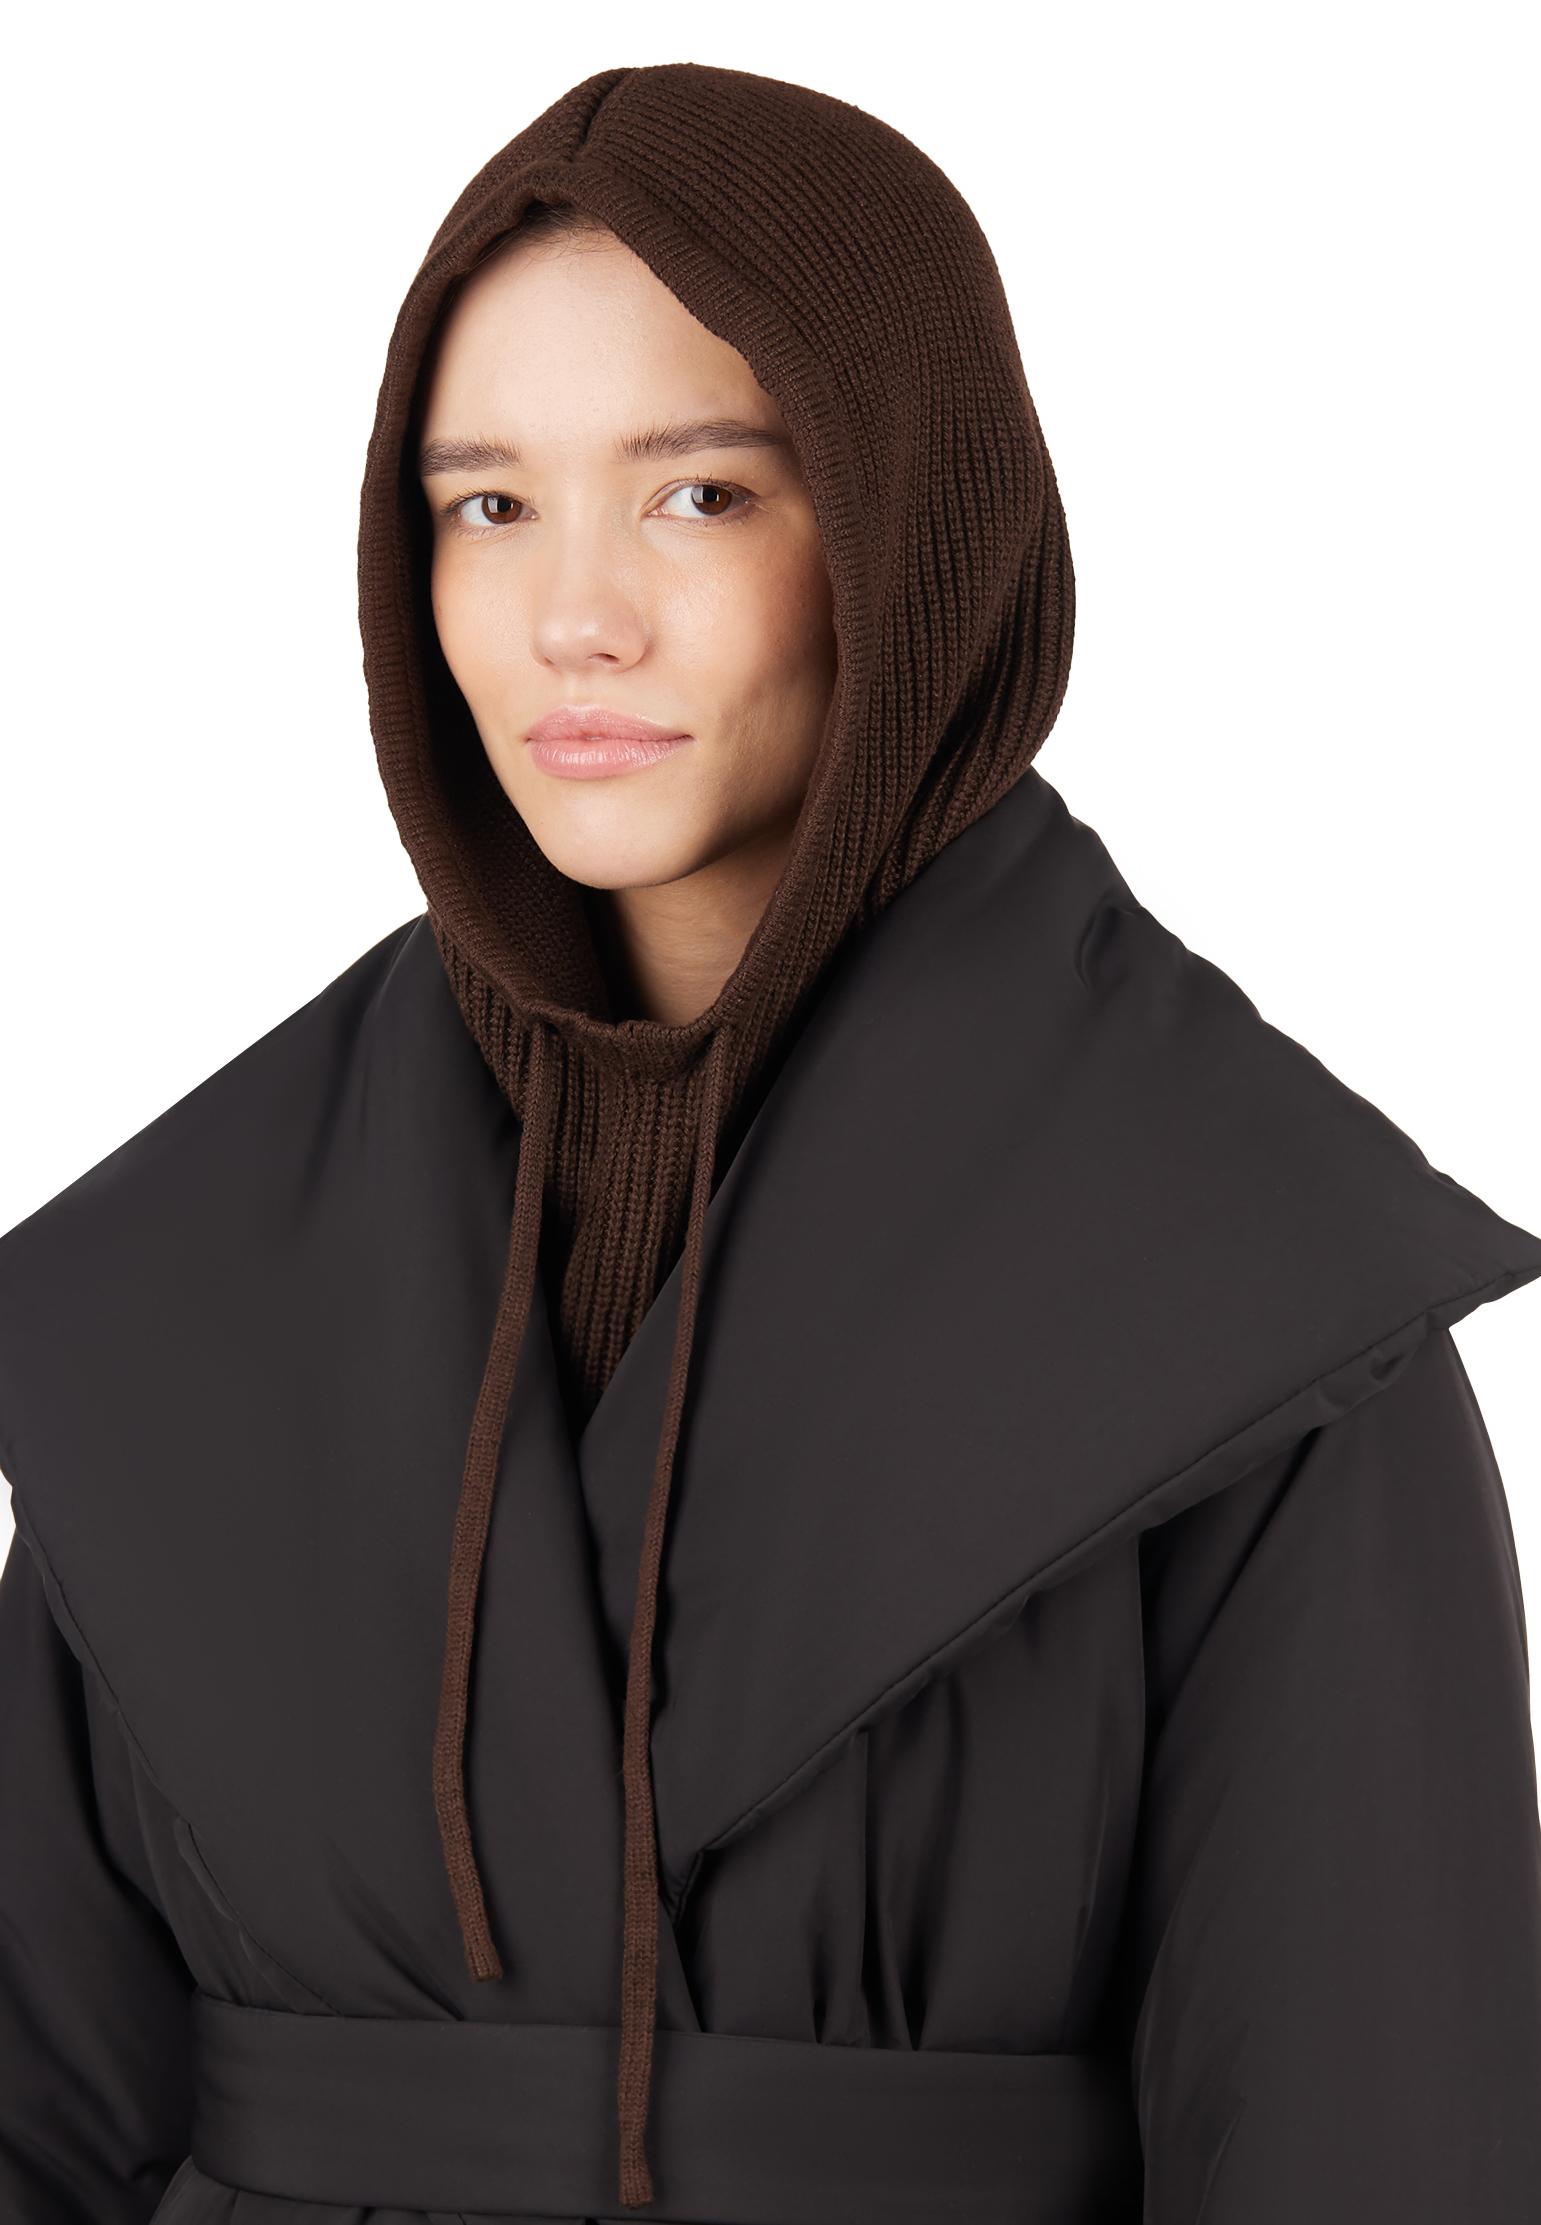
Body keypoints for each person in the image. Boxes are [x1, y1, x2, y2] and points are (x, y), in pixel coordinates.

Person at [1, 61, 1538, 2225]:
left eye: (702, 494)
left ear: (911, 530)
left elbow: (1378, 2143)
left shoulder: (1255, 1309)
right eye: (486, 505)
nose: (575, 616)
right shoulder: (184, 1279)